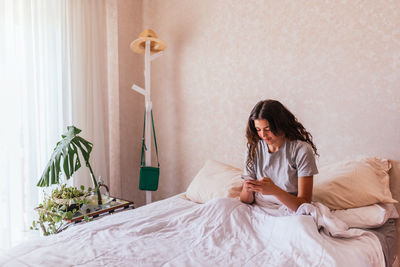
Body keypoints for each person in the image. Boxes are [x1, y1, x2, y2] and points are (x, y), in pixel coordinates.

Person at [240, 99, 319, 211]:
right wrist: (247, 189)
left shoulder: (301, 150)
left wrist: (274, 190)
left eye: (267, 129)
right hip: (258, 208)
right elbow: (245, 200)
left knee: (302, 226)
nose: (263, 135)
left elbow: (305, 203)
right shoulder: (253, 147)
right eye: (258, 129)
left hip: (289, 209)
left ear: (280, 124)